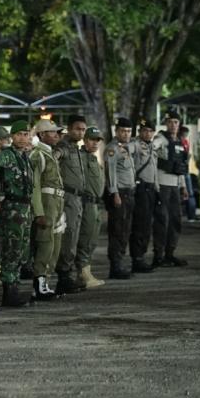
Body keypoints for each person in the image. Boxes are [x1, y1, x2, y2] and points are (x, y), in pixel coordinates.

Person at [0, 120, 34, 308]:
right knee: (12, 249)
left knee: (22, 250)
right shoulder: (6, 155)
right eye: (19, 134)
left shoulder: (24, 156)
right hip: (12, 208)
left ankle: (14, 285)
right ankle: (9, 290)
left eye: (26, 134)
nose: (23, 138)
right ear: (12, 137)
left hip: (24, 208)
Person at [30, 118, 65, 300]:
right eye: (52, 132)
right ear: (42, 135)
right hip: (46, 201)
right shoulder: (38, 155)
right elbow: (35, 185)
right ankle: (39, 283)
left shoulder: (49, 153)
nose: (56, 135)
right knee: (45, 242)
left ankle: (46, 281)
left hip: (56, 200)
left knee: (55, 242)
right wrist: (39, 212)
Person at [54, 115, 87, 294]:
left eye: (83, 129)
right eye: (77, 129)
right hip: (67, 198)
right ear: (69, 128)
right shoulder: (64, 147)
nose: (80, 132)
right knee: (69, 236)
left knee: (74, 236)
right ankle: (64, 276)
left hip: (78, 198)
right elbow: (54, 159)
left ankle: (69, 274)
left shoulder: (77, 149)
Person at [152, 111, 190, 267]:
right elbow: (150, 150)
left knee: (175, 221)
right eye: (170, 122)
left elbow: (180, 166)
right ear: (166, 123)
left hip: (175, 185)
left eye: (176, 122)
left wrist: (183, 187)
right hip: (162, 185)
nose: (173, 125)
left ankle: (169, 254)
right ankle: (158, 256)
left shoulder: (180, 142)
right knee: (162, 221)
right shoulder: (160, 139)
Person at [103, 118, 136, 279]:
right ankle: (115, 265)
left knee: (126, 229)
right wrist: (114, 193)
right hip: (120, 194)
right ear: (117, 131)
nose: (126, 134)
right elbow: (110, 174)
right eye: (123, 131)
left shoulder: (126, 148)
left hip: (129, 193)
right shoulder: (112, 149)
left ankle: (120, 262)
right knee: (117, 230)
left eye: (129, 131)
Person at [76, 126, 106, 289]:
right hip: (86, 203)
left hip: (95, 203)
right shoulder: (80, 157)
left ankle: (86, 271)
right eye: (92, 140)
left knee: (92, 239)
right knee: (85, 239)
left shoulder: (93, 158)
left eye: (97, 140)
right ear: (85, 140)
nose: (95, 143)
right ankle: (83, 273)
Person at [130, 118, 159, 274]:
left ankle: (141, 256)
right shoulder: (135, 144)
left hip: (151, 190)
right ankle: (137, 259)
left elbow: (154, 170)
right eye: (145, 131)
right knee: (140, 226)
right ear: (140, 132)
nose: (147, 133)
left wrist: (158, 189)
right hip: (140, 189)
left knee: (147, 225)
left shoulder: (152, 147)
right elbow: (126, 151)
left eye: (150, 131)